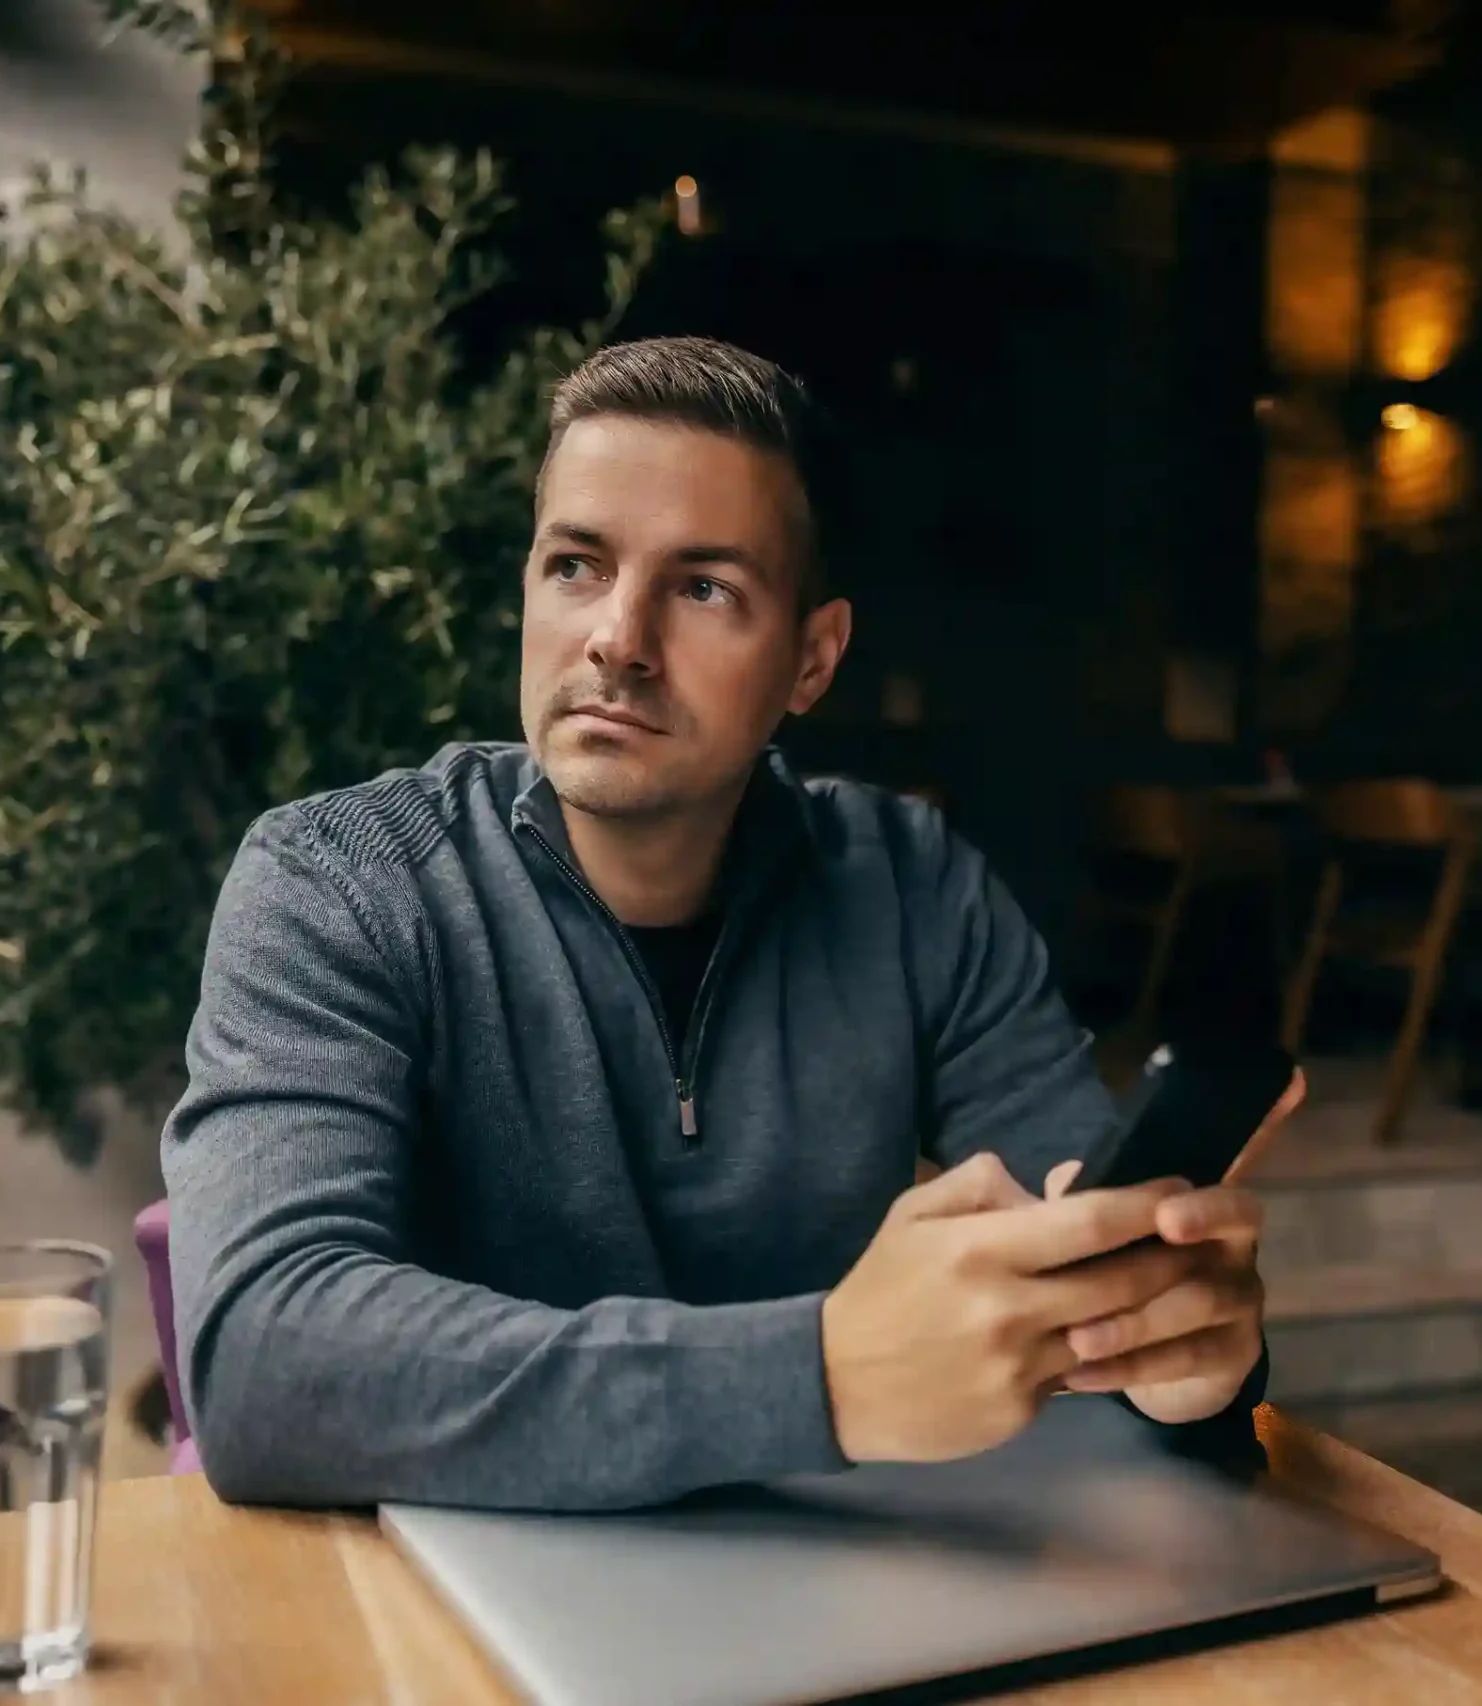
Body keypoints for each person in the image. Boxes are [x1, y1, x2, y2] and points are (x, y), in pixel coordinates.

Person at [162, 336, 1299, 1512]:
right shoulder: (339, 881)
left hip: (837, 1584)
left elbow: (1089, 1250)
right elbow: (263, 1360)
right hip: (446, 1604)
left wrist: (1179, 1359)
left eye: (703, 586)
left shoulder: (911, 888)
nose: (616, 636)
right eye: (574, 566)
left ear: (811, 659)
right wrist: (821, 1377)